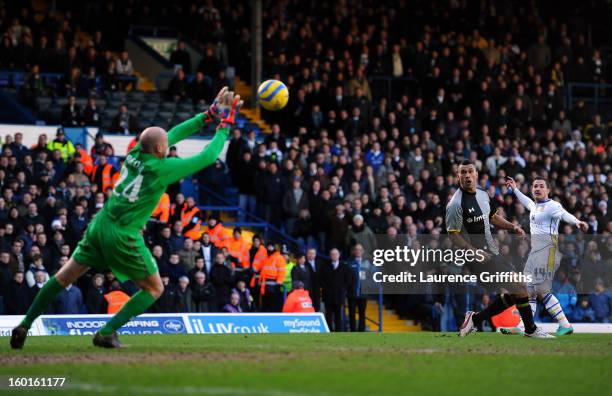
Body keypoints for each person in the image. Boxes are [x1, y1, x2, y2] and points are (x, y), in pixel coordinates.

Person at [11, 87, 243, 349]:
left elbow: (169, 135)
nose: (169, 145)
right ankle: (107, 331)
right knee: (155, 288)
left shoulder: (134, 153)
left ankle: (25, 324)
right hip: (122, 233)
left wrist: (207, 115)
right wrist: (225, 125)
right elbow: (208, 156)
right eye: (165, 145)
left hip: (100, 224)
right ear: (159, 149)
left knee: (63, 277)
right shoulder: (161, 169)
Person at [450, 160, 552, 338]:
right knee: (519, 286)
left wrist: (512, 227)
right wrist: (472, 251)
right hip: (477, 256)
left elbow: (493, 218)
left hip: (492, 252)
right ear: (458, 176)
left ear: (476, 174)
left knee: (516, 290)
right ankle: (530, 329)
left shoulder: (482, 194)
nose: (467, 175)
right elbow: (452, 234)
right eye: (463, 172)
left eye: (470, 171)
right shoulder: (455, 203)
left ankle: (475, 319)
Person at [506, 176, 588, 335]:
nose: (537, 188)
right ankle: (524, 325)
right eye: (535, 186)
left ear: (548, 190)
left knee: (540, 290)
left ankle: (565, 324)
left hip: (547, 251)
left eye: (541, 186)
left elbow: (564, 215)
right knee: (528, 289)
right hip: (535, 252)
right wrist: (515, 189)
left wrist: (577, 222)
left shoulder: (552, 205)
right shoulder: (535, 206)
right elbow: (526, 202)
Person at [320, 248, 352, 331]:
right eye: (332, 254)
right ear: (330, 256)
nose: (334, 256)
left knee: (338, 316)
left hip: (339, 296)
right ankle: (329, 332)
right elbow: (321, 280)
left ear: (339, 255)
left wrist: (343, 289)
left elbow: (348, 280)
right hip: (328, 296)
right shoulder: (325, 266)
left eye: (336, 254)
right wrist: (327, 289)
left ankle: (338, 333)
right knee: (328, 316)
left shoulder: (344, 267)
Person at [347, 243, 371, 332]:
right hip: (352, 293)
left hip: (363, 293)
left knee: (362, 313)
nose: (358, 251)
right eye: (356, 249)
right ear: (354, 251)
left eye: (360, 249)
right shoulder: (349, 263)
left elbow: (370, 277)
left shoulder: (367, 263)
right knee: (351, 313)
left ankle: (362, 330)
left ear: (363, 251)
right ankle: (353, 330)